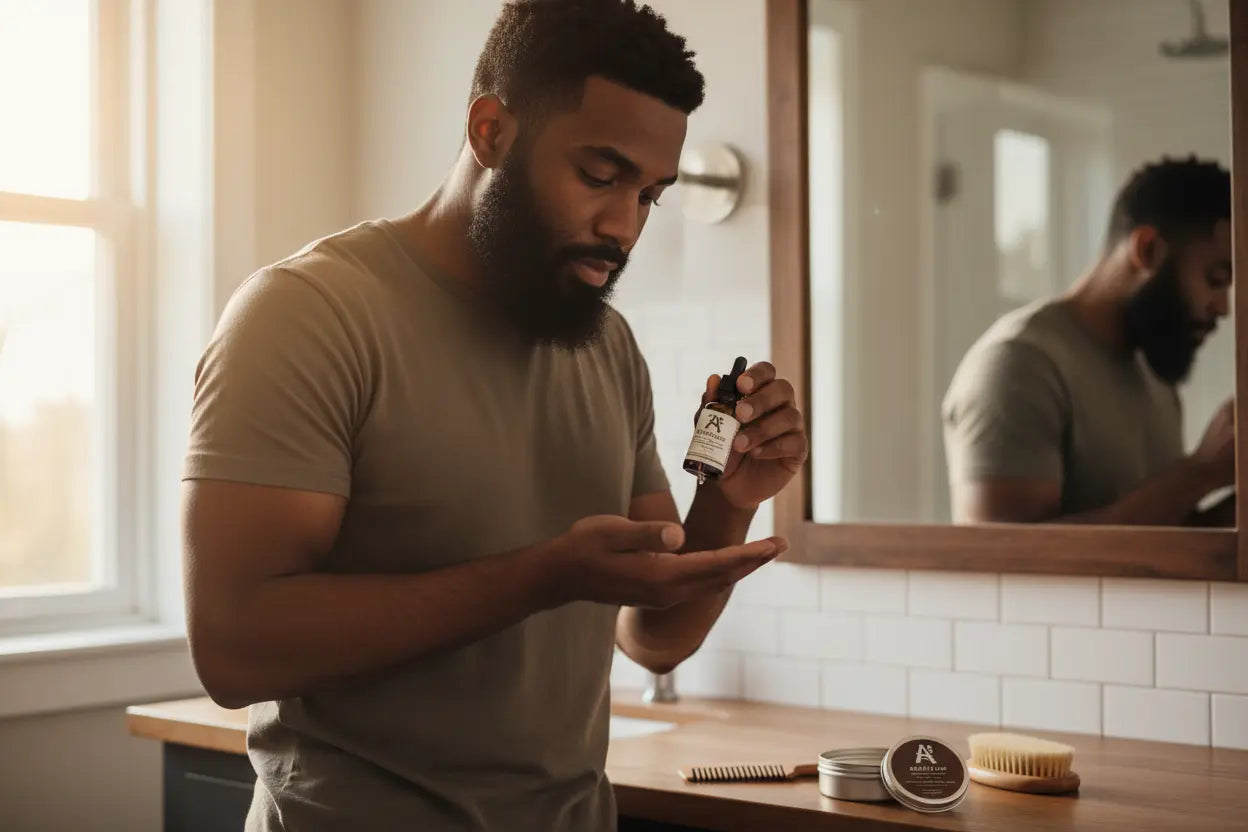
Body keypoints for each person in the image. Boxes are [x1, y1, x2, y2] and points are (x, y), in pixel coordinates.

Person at [181, 2, 807, 830]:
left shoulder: (608, 349)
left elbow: (653, 636)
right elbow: (233, 650)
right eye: (599, 174)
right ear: (491, 131)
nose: (623, 226)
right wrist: (543, 577)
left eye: (650, 194)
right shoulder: (309, 314)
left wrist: (730, 500)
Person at [943, 156, 1232, 526]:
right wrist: (1200, 473)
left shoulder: (1153, 375)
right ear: (1147, 250)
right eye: (1216, 278)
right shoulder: (1020, 363)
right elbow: (1003, 563)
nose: (1223, 308)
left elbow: (1160, 540)